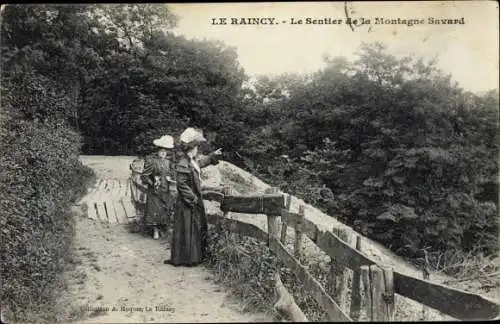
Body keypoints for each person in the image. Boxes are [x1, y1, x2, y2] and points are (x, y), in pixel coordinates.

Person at [164, 127, 222, 266]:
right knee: (186, 229)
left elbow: (200, 164)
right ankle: (185, 259)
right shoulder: (183, 163)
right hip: (186, 203)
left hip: (191, 202)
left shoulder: (191, 161)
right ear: (191, 149)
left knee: (192, 228)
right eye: (196, 147)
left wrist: (213, 155)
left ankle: (191, 257)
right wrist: (193, 198)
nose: (197, 150)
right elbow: (182, 185)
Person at [140, 135, 176, 240]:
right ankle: (155, 230)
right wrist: (152, 183)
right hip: (155, 190)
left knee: (165, 209)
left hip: (166, 189)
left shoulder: (168, 162)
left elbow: (171, 174)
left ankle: (163, 229)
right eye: (161, 151)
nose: (163, 153)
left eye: (165, 151)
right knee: (155, 210)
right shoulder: (152, 161)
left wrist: (172, 179)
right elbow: (144, 176)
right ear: (157, 152)